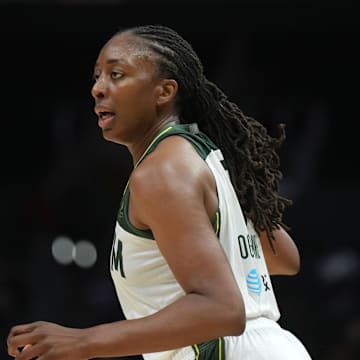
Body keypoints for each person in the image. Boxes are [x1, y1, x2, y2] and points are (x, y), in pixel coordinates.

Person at [7, 24, 312, 360]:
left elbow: (222, 310)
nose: (98, 89)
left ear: (164, 92)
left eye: (117, 74)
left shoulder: (162, 171)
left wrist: (84, 342)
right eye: (97, 77)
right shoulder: (202, 159)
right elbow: (283, 257)